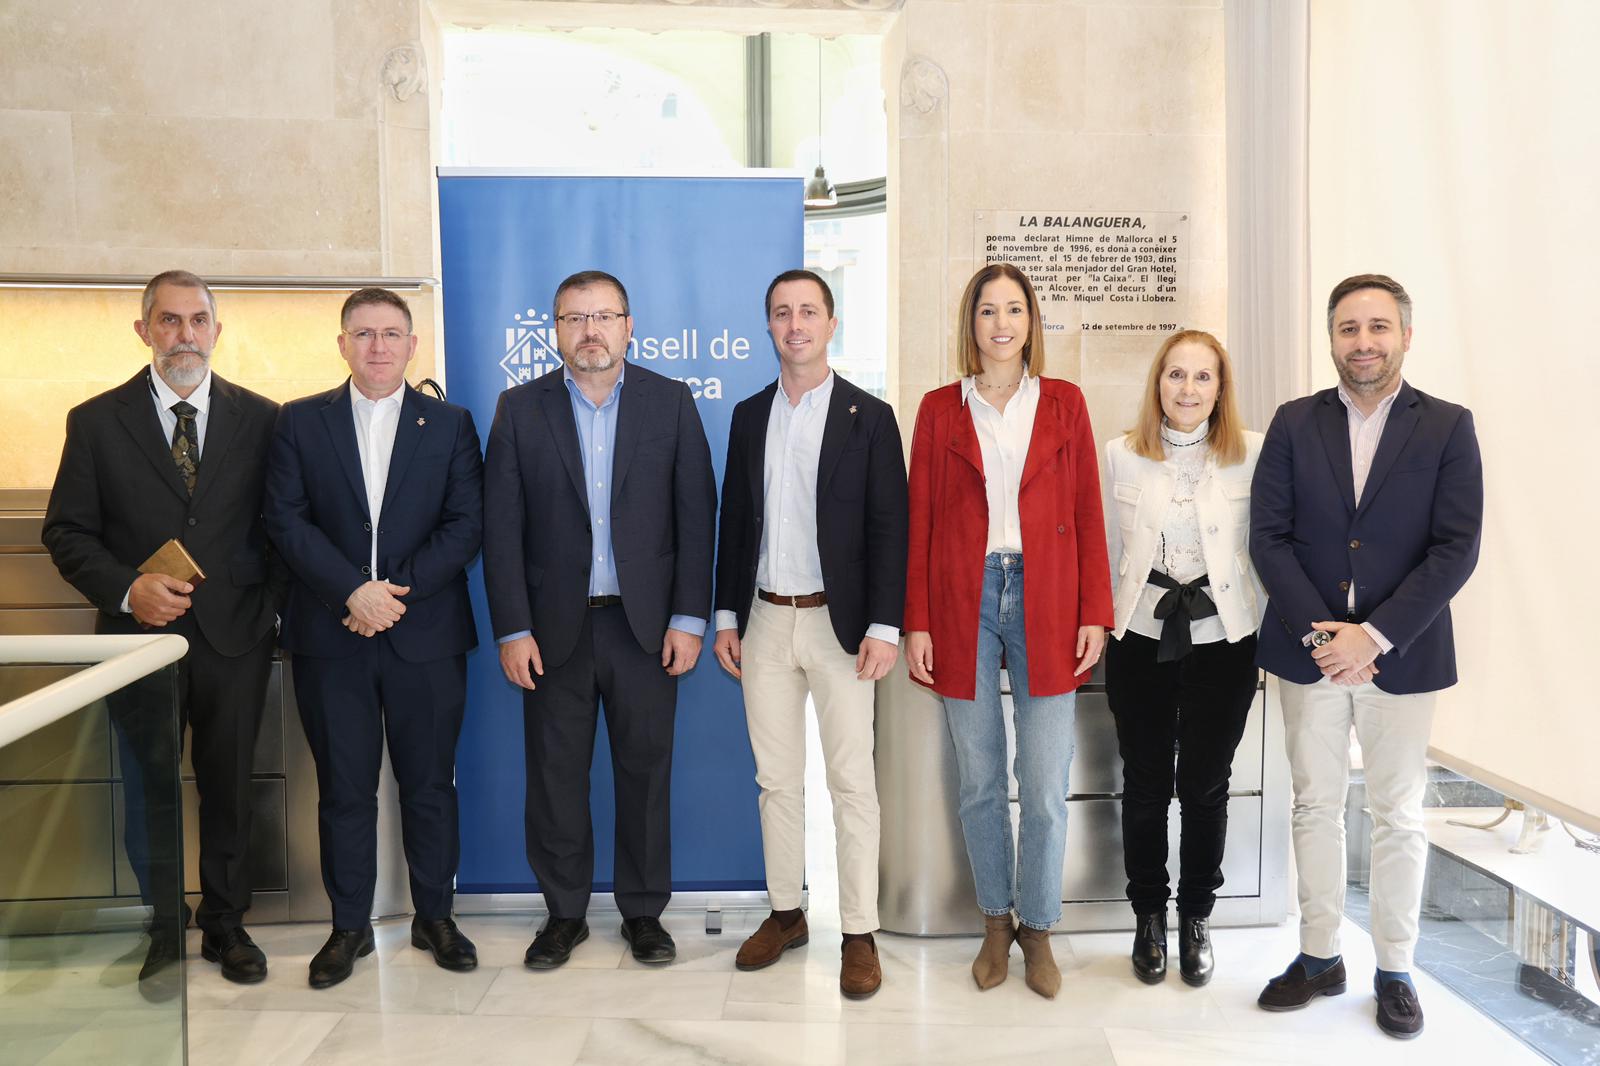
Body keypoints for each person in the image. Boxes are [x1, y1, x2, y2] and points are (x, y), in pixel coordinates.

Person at [1251, 274, 1483, 1039]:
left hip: (1402, 656)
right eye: (1349, 328)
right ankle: (1319, 957)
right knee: (1314, 803)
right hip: (1308, 652)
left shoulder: (1448, 426)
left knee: (1397, 813)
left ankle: (1394, 968)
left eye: (1378, 327)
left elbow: (1455, 549)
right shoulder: (1292, 423)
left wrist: (1372, 636)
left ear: (1406, 337)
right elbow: (1270, 538)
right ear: (1331, 339)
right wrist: (1324, 636)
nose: (1364, 342)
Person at [42, 270, 281, 991]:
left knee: (229, 786)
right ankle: (161, 927)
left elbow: (281, 527)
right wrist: (126, 588)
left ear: (216, 331)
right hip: (136, 643)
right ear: (144, 331)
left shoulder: (264, 419)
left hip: (235, 639)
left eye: (198, 320)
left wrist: (266, 609)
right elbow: (67, 530)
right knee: (149, 788)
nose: (185, 334)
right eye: (169, 321)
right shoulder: (94, 421)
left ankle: (227, 924)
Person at [483, 270, 717, 969]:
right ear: (555, 331)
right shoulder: (519, 409)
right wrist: (512, 628)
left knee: (645, 773)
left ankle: (644, 913)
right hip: (553, 631)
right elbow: (502, 528)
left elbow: (696, 515)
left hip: (645, 628)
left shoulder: (670, 403)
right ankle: (564, 915)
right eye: (574, 318)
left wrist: (689, 618)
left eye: (604, 316)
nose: (590, 330)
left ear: (628, 326)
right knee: (555, 777)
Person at [264, 287, 484, 989]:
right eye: (363, 333)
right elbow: (285, 520)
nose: (379, 346)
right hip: (332, 638)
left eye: (392, 333)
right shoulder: (299, 422)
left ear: (413, 345)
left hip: (426, 636)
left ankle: (436, 917)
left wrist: (389, 597)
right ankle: (350, 927)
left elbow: (465, 524)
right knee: (344, 791)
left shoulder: (450, 424)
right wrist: (350, 591)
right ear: (342, 344)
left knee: (430, 786)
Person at [904, 262, 1113, 999]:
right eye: (987, 310)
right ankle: (996, 922)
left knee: (1047, 781)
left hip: (1048, 593)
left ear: (1032, 322)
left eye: (1014, 309)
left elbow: (1088, 509)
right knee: (981, 778)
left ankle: (1039, 930)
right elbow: (920, 521)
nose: (1001, 323)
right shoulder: (938, 409)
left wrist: (1096, 610)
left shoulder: (1063, 403)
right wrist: (918, 622)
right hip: (964, 593)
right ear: (971, 324)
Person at [711, 269, 908, 999]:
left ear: (832, 324)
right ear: (769, 326)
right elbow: (736, 525)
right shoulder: (747, 415)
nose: (795, 324)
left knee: (852, 782)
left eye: (808, 312)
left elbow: (892, 528)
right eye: (781, 313)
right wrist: (727, 614)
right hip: (763, 620)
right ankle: (787, 915)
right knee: (776, 781)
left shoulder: (870, 416)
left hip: (841, 627)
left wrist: (886, 625)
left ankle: (858, 932)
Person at [1101, 330, 1264, 987]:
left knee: (1203, 785)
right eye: (1176, 376)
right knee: (1144, 784)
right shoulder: (1119, 455)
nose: (1187, 389)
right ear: (1157, 384)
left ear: (1220, 389)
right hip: (1141, 636)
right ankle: (1148, 917)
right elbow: (1103, 549)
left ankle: (1196, 915)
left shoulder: (1252, 455)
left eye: (1202, 377)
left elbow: (1269, 544)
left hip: (1224, 640)